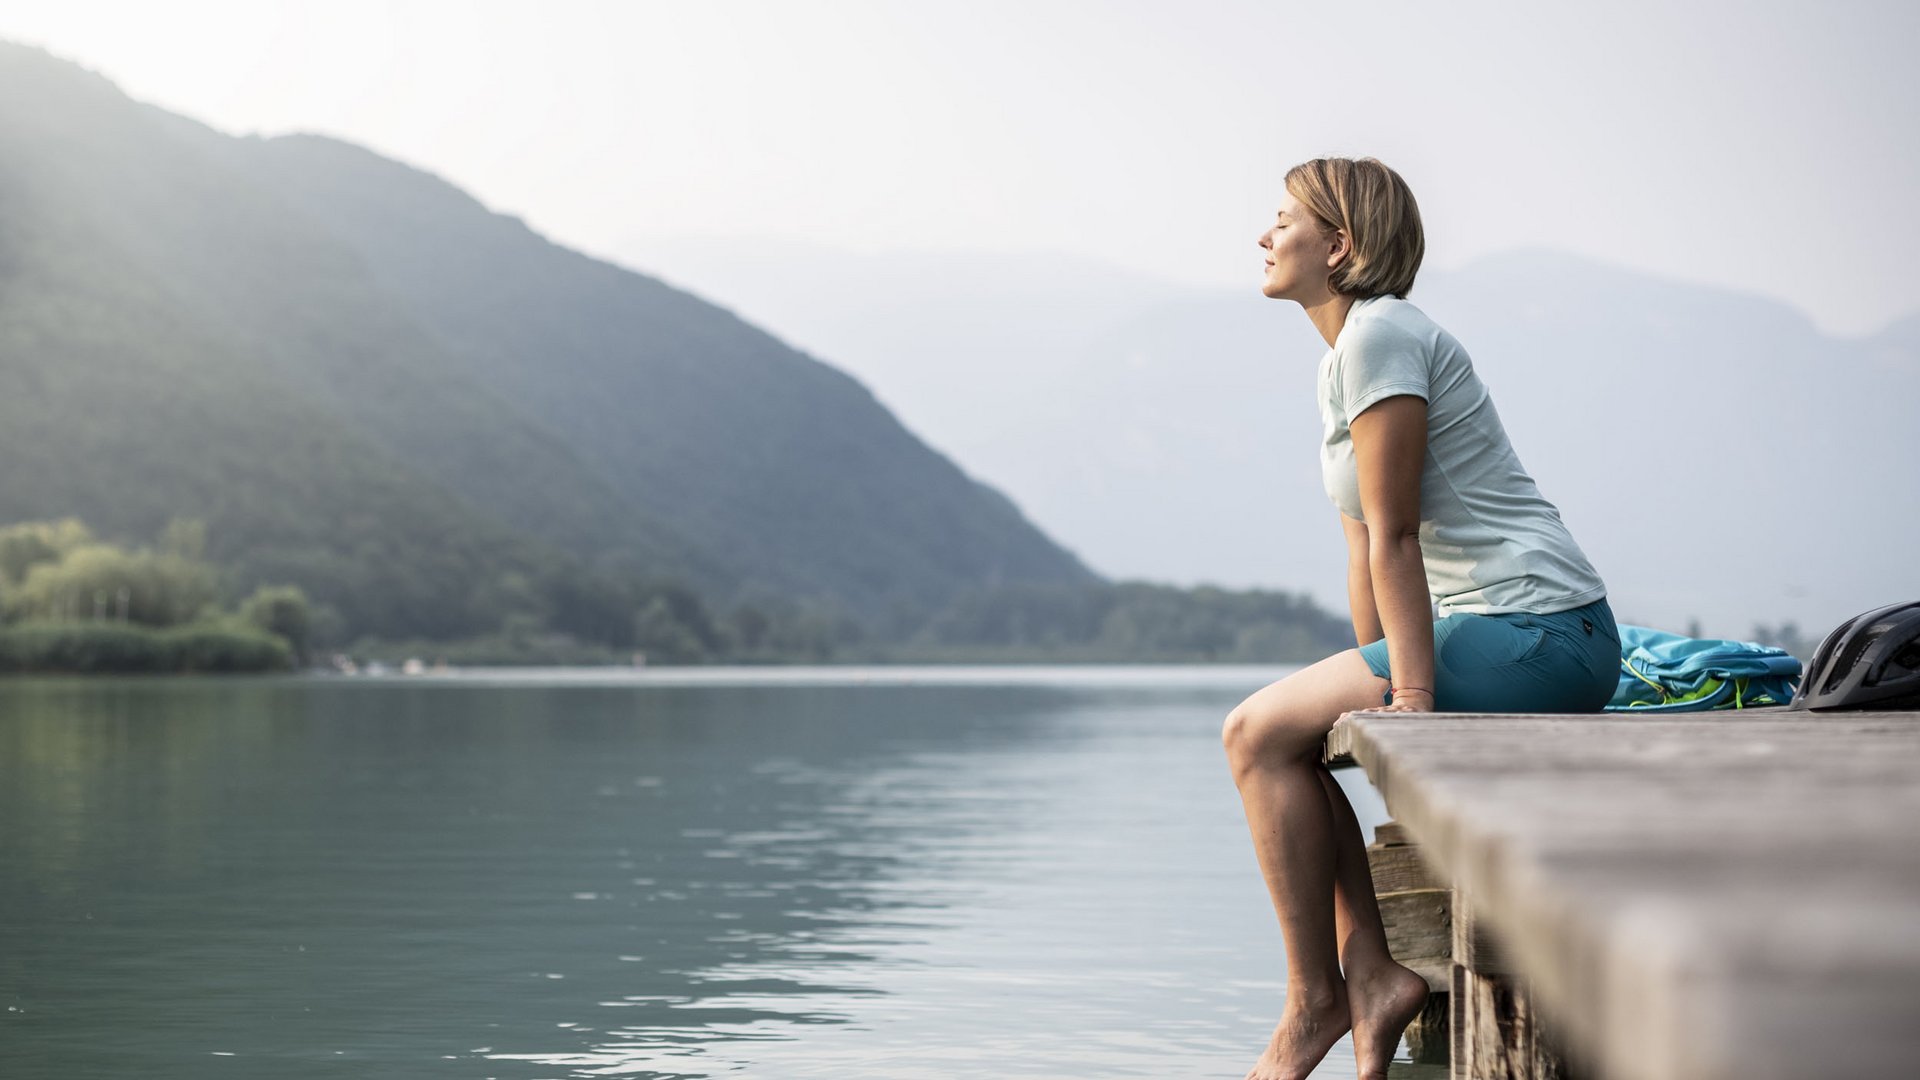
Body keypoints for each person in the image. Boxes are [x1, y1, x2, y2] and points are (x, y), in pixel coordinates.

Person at [1222, 157, 1619, 1080]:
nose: (1264, 235)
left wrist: (1408, 693)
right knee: (1280, 738)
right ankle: (1365, 980)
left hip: (1543, 629)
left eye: (1283, 219)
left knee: (1252, 732)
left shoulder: (1383, 337)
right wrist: (1366, 683)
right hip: (1497, 627)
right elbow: (1363, 547)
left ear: (1340, 244)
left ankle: (1320, 1000)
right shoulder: (1344, 357)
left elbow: (1398, 534)